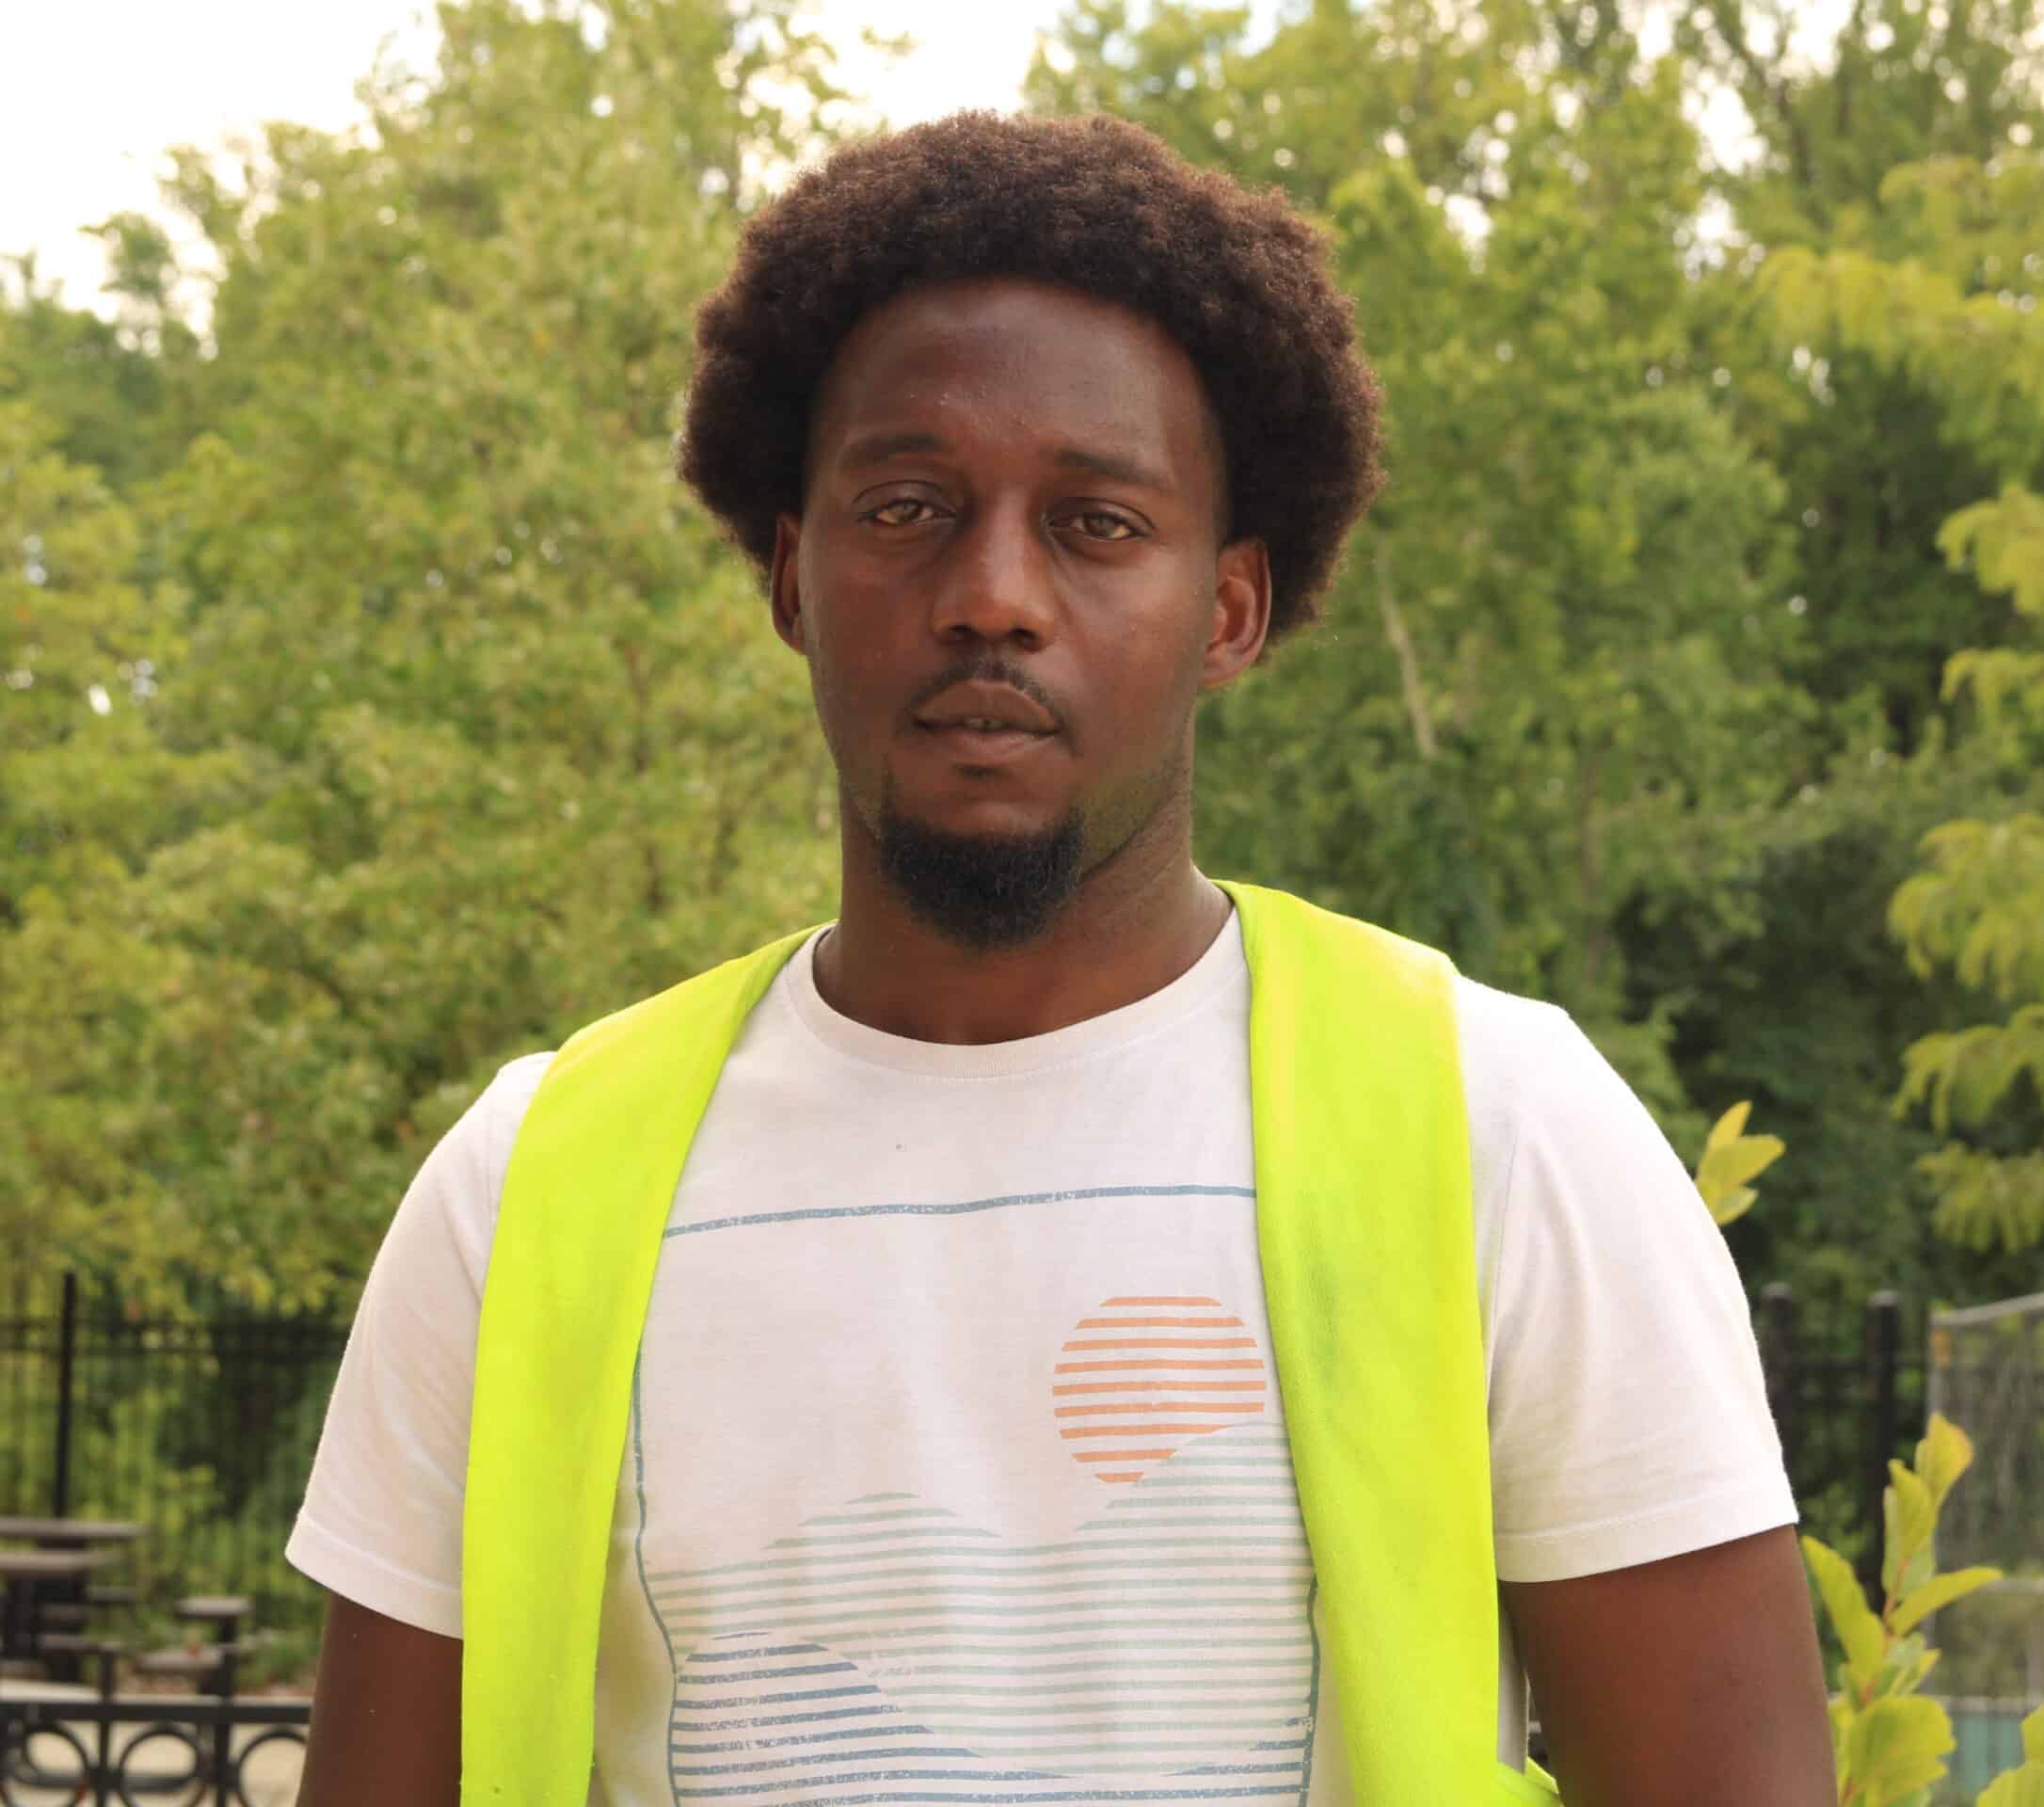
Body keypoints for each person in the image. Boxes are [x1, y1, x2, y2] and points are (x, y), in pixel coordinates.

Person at [289, 111, 1833, 1807]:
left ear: (1230, 609)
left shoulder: (1497, 1127)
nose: (992, 595)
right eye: (908, 506)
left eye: (1096, 525)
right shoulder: (529, 1186)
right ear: (795, 577)